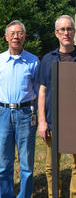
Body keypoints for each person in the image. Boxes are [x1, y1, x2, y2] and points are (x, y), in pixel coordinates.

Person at [36, 15, 76, 198]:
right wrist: (42, 121)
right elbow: (42, 92)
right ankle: (55, 195)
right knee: (51, 166)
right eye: (62, 29)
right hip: (54, 120)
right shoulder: (47, 59)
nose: (66, 33)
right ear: (56, 33)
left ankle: (75, 195)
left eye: (69, 29)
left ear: (74, 32)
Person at [0, 20, 39, 198]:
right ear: (6, 37)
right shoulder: (0, 60)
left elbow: (39, 91)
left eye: (19, 33)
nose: (16, 37)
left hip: (25, 114)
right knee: (3, 164)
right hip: (3, 114)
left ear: (24, 37)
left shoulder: (33, 61)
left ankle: (24, 196)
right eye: (12, 33)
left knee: (26, 164)